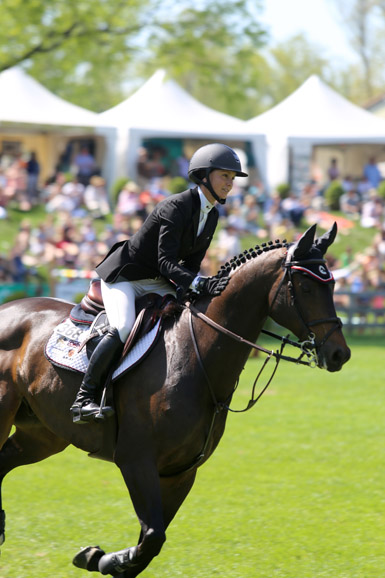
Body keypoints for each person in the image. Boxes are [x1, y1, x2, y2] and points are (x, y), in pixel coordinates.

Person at [70, 143, 248, 423]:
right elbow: (166, 261)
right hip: (125, 277)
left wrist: (195, 288)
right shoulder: (176, 206)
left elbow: (191, 264)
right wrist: (197, 284)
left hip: (158, 282)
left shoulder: (212, 214)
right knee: (123, 327)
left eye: (232, 178)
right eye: (224, 175)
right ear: (204, 176)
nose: (230, 183)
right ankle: (84, 398)